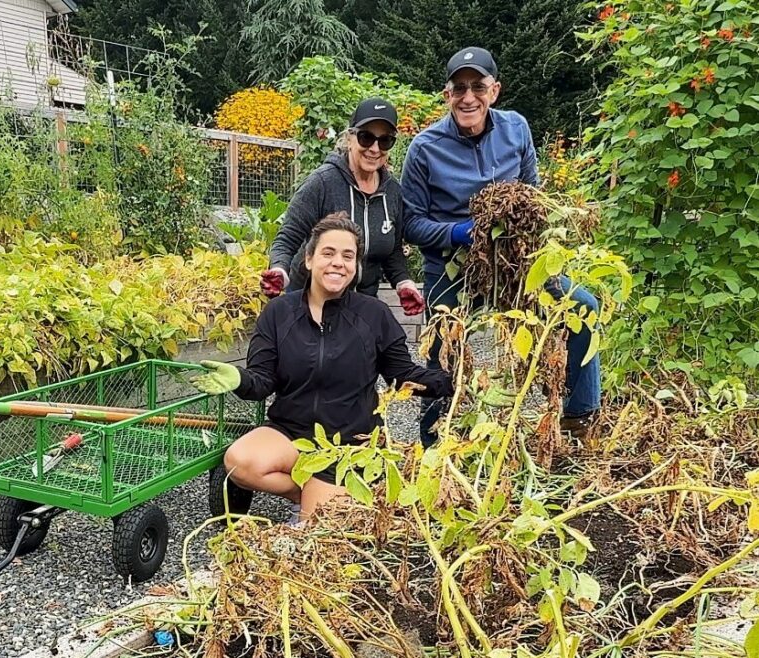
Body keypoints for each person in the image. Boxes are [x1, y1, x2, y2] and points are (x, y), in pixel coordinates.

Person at [400, 46, 602, 447]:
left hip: (516, 263)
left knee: (582, 307)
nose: (468, 96)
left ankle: (578, 418)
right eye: (459, 88)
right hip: (453, 267)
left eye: (477, 86)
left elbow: (533, 196)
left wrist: (536, 233)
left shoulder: (516, 129)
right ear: (447, 95)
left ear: (495, 91)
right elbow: (411, 224)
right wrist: (461, 234)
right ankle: (433, 446)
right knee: (445, 349)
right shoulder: (425, 148)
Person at [192, 213, 452, 521]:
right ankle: (323, 498)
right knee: (238, 461)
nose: (338, 262)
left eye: (348, 256)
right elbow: (263, 381)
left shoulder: (374, 316)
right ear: (309, 259)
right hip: (292, 433)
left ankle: (330, 499)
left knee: (315, 537)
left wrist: (454, 382)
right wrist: (239, 378)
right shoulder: (279, 313)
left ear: (356, 267)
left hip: (349, 445)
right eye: (328, 253)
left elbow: (403, 375)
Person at [261, 98, 425, 317]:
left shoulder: (392, 191)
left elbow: (392, 251)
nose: (374, 149)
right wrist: (280, 270)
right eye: (366, 137)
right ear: (350, 138)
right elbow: (287, 238)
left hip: (360, 309)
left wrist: (404, 283)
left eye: (385, 140)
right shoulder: (322, 183)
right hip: (310, 307)